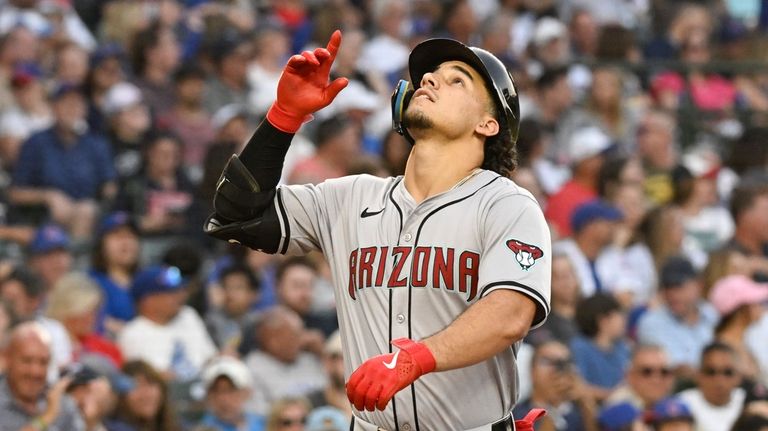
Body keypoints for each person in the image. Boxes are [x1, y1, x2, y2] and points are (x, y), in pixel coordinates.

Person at [204, 31, 551, 430]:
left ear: (488, 123)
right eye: (429, 76)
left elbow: (509, 315)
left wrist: (414, 358)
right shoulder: (350, 196)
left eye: (457, 79)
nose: (431, 80)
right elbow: (235, 215)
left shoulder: (506, 205)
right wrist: (283, 117)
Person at [117, 265, 216, 380]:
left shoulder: (188, 316)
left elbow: (211, 358)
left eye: (180, 290)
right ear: (147, 300)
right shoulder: (131, 334)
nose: (181, 296)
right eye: (171, 293)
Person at [0, 322, 85, 431]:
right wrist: (46, 418)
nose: (35, 371)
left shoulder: (63, 405)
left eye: (43, 362)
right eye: (27, 361)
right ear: (7, 359)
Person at [677, 342, 746, 431]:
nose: (719, 380)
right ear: (698, 375)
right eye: (710, 372)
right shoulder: (682, 404)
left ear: (739, 377)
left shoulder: (748, 403)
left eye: (727, 372)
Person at [198, 356, 266, 431]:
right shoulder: (203, 428)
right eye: (215, 391)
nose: (223, 398)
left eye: (231, 390)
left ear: (247, 392)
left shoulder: (265, 423)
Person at [606, 344, 675, 414]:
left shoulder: (673, 405)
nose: (656, 379)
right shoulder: (618, 407)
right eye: (646, 372)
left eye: (664, 372)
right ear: (630, 376)